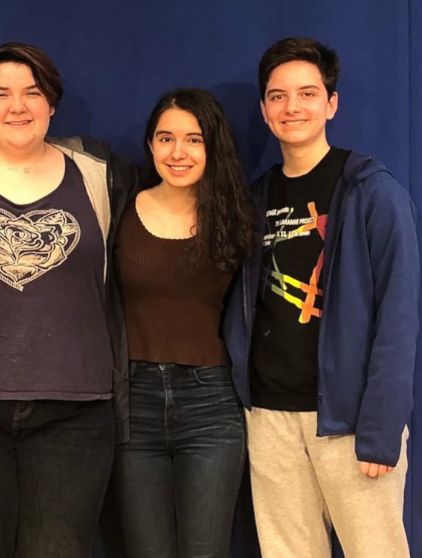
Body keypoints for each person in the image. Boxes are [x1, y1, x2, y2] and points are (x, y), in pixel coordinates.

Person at [0, 42, 135, 558]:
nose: (18, 106)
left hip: (75, 411)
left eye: (33, 93)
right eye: (2, 93)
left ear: (52, 104)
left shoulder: (101, 176)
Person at [222, 37, 419, 557]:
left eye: (307, 94)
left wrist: (380, 428)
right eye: (278, 96)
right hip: (270, 419)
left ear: (331, 103)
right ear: (264, 110)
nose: (293, 107)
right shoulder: (255, 198)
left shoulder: (373, 192)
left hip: (349, 423)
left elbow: (397, 318)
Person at [114, 88, 254, 558]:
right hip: (134, 406)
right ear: (150, 144)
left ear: (213, 147)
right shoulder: (118, 211)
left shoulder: (235, 216)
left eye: (193, 140)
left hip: (210, 404)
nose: (178, 152)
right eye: (166, 138)